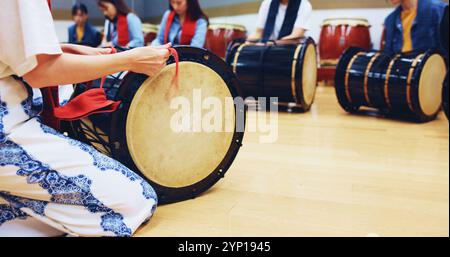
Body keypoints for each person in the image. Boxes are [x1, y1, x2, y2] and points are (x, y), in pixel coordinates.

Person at [0, 0, 171, 237]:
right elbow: (41, 71)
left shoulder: (129, 20)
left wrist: (64, 49)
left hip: (12, 106)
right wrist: (128, 60)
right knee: (136, 199)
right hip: (7, 126)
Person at [384, 0, 448, 55]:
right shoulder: (390, 20)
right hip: (401, 66)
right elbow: (388, 54)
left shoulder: (438, 10)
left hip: (432, 66)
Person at [247, 0, 313, 43]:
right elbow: (258, 32)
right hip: (267, 49)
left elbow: (296, 36)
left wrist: (271, 44)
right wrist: (247, 42)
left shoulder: (304, 4)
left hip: (292, 51)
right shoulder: (267, 3)